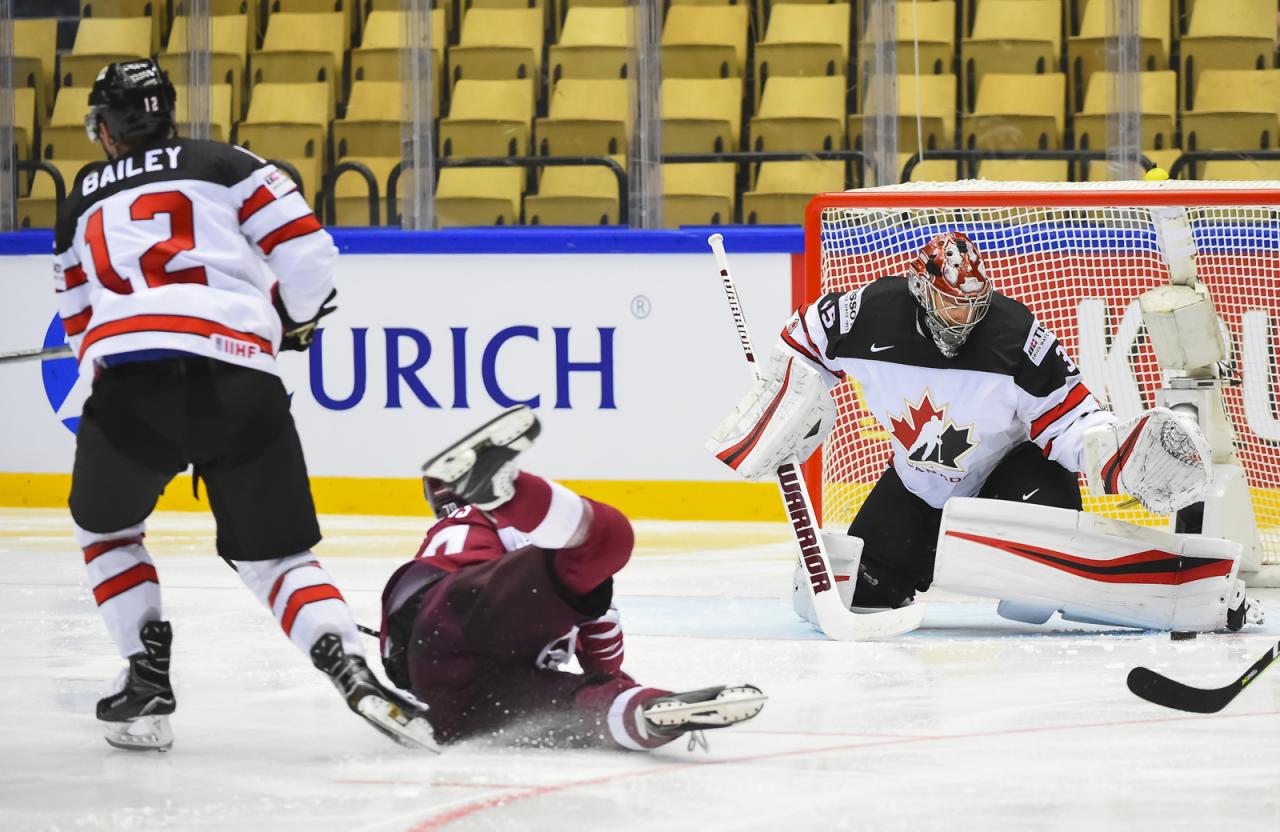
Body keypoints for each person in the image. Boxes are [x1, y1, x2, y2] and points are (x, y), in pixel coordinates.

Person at [55, 60, 434, 751]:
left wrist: (115, 350)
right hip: (238, 379)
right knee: (277, 558)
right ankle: (348, 665)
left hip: (131, 388)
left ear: (106, 128)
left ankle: (145, 676)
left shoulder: (79, 196)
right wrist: (292, 319)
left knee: (106, 531)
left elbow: (79, 320)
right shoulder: (226, 162)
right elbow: (311, 255)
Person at [710, 231, 1262, 633]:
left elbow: (1072, 419)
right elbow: (801, 343)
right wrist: (783, 402)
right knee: (851, 594)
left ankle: (1164, 593)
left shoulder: (1016, 336)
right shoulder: (868, 313)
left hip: (1013, 477)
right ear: (921, 289)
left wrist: (1113, 451)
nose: (964, 314)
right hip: (919, 483)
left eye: (974, 302)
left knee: (1042, 590)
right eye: (952, 301)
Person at [379, 405, 767, 750]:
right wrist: (608, 676)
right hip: (457, 620)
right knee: (608, 542)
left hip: (443, 689)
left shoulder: (444, 538)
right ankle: (510, 490)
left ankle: (643, 711)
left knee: (570, 713)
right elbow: (599, 615)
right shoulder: (491, 520)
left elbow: (398, 641)